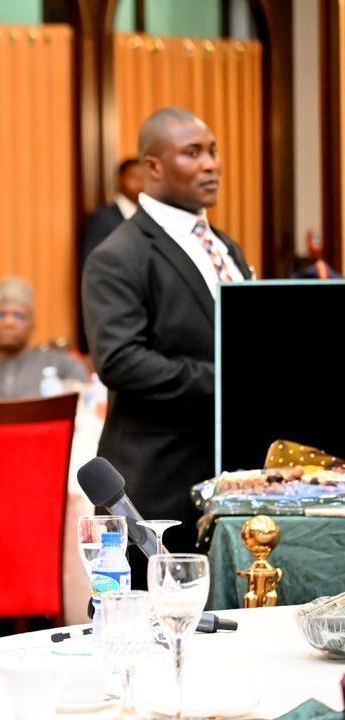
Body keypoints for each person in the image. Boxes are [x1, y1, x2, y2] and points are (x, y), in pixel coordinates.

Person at [82, 107, 253, 561]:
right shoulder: (118, 255)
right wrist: (227, 381)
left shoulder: (224, 244)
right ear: (152, 167)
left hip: (231, 480)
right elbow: (120, 360)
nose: (211, 163)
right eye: (192, 153)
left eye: (213, 151)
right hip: (157, 486)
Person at [0, 277, 89, 400]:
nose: (9, 322)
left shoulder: (64, 366)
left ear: (33, 324)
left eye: (19, 316)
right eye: (0, 315)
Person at [79, 158, 143, 270]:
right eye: (135, 178)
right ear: (120, 180)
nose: (141, 183)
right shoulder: (102, 219)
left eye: (144, 178)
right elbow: (92, 263)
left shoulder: (147, 217)